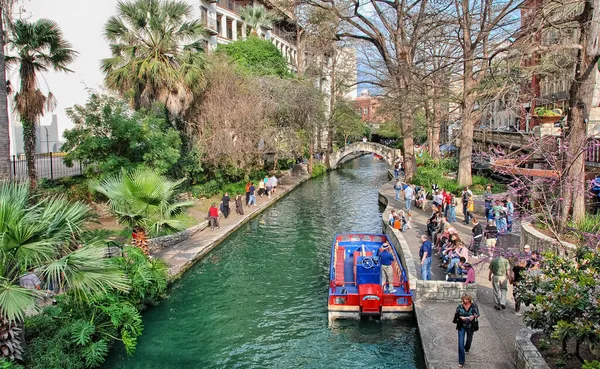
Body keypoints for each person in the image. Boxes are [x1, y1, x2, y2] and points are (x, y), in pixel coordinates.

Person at [453, 294, 480, 368]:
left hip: (470, 326)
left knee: (469, 340)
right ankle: (461, 361)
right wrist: (461, 317)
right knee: (460, 343)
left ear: (470, 300)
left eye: (467, 299)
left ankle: (467, 348)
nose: (466, 301)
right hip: (461, 325)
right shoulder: (460, 306)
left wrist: (473, 316)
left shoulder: (474, 306)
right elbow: (457, 314)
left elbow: (478, 314)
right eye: (465, 299)